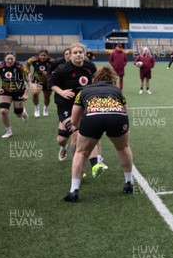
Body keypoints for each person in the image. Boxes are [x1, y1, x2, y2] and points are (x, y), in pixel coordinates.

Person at [64, 66, 134, 201]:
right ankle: (129, 183)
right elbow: (125, 111)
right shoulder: (118, 90)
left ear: (94, 79)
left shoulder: (84, 91)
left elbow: (74, 119)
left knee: (81, 152)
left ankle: (74, 190)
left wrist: (79, 128)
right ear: (112, 79)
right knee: (123, 148)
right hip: (117, 116)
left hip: (92, 117)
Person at [49, 43, 97, 161]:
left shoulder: (89, 65)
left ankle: (78, 164)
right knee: (62, 139)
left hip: (82, 105)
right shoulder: (63, 69)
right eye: (75, 53)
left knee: (76, 134)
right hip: (66, 105)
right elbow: (51, 83)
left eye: (80, 52)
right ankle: (63, 148)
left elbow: (96, 77)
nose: (78, 55)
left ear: (84, 54)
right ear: (70, 56)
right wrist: (62, 92)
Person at [0, 51, 30, 138]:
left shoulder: (21, 67)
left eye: (12, 59)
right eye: (8, 59)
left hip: (19, 91)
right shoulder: (0, 67)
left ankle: (23, 112)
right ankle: (8, 131)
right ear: (4, 59)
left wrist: (26, 93)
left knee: (18, 114)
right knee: (3, 111)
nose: (10, 61)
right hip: (6, 91)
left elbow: (28, 81)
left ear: (15, 59)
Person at [26, 49, 56, 117]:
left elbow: (57, 70)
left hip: (47, 80)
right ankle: (36, 108)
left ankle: (45, 108)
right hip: (36, 79)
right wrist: (29, 72)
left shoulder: (52, 61)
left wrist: (49, 73)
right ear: (38, 55)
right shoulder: (33, 59)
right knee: (35, 93)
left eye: (44, 55)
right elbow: (27, 64)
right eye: (41, 55)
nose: (42, 57)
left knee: (47, 96)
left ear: (47, 56)